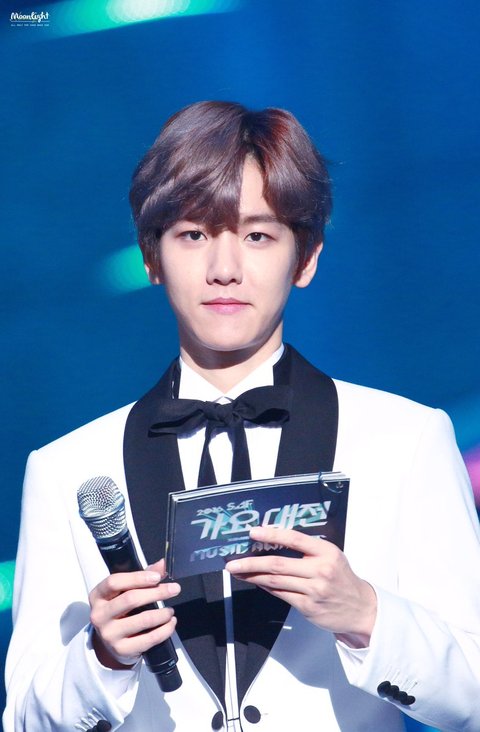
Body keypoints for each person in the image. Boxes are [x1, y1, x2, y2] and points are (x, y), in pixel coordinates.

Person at [3, 101, 480, 732]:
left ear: (305, 257)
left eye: (257, 236)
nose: (224, 270)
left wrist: (366, 614)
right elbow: (24, 719)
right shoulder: (66, 469)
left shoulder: (406, 438)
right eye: (193, 235)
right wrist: (104, 657)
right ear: (151, 256)